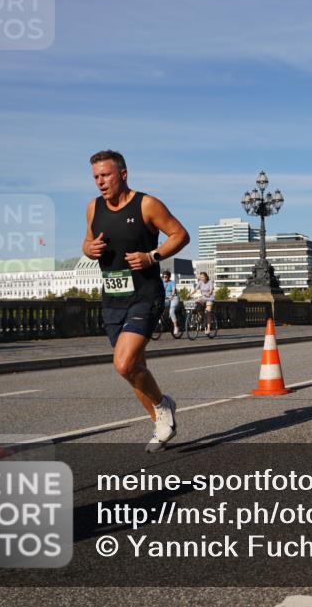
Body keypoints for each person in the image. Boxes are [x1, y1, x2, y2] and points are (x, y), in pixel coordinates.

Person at [82, 150, 189, 452]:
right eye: (95, 177)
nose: (100, 182)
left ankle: (162, 406)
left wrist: (151, 256)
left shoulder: (147, 204)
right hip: (112, 298)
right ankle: (160, 416)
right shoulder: (93, 207)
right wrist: (90, 249)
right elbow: (86, 242)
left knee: (124, 363)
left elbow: (180, 235)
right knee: (133, 368)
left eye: (105, 175)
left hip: (145, 295)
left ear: (123, 174)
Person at [162, 270, 181, 337]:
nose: (164, 278)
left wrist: (172, 296)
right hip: (166, 299)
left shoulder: (172, 282)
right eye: (163, 277)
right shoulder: (162, 283)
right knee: (158, 306)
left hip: (173, 298)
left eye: (166, 277)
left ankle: (176, 327)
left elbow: (173, 291)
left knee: (171, 311)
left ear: (169, 277)